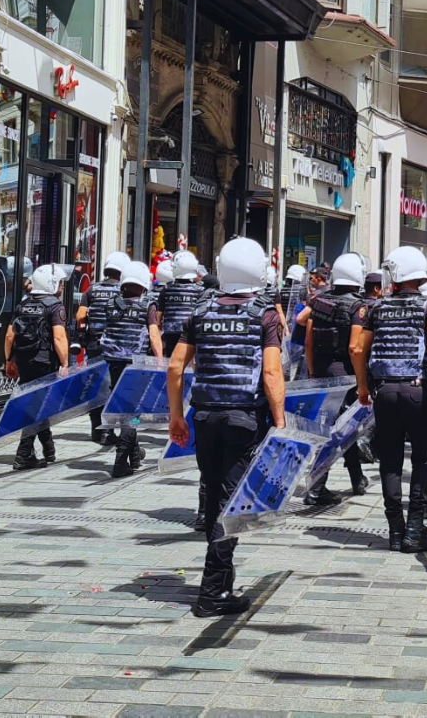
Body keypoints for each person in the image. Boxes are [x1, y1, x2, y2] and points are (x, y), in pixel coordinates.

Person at [166, 237, 286, 617]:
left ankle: (221, 582)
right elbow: (271, 373)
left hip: (204, 416)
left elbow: (174, 368)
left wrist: (176, 416)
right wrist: (280, 423)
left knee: (216, 494)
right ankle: (212, 592)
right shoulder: (264, 315)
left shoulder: (200, 312)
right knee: (230, 506)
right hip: (242, 420)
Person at [350, 246, 427, 553]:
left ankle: (395, 530)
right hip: (417, 391)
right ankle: (414, 530)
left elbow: (358, 349)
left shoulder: (377, 308)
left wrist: (362, 387)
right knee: (422, 458)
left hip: (384, 392)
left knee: (390, 460)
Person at [302, 252, 370, 504]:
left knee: (344, 427)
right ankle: (315, 488)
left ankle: (356, 478)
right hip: (345, 375)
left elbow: (308, 340)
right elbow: (355, 347)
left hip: (320, 370)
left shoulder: (318, 301)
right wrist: (362, 381)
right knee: (334, 431)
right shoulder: (357, 306)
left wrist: (311, 372)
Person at [5, 264, 71, 470]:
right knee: (38, 405)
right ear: (52, 284)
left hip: (24, 360)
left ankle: (48, 448)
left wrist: (9, 360)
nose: (62, 287)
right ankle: (23, 454)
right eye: (60, 283)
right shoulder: (55, 306)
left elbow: (9, 335)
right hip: (44, 361)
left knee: (37, 402)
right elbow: (59, 337)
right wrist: (65, 363)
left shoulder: (22, 305)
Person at [98, 263, 162, 477]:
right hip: (136, 366)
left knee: (125, 408)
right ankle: (120, 460)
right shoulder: (147, 305)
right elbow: (154, 336)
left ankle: (134, 455)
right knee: (132, 415)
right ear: (143, 284)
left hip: (114, 364)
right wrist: (161, 363)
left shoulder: (110, 303)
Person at [78, 251, 130, 444]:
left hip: (94, 345)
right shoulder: (122, 292)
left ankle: (96, 429)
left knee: (96, 387)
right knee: (114, 388)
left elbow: (80, 316)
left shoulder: (91, 290)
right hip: (115, 346)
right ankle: (109, 431)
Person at [156, 251, 210, 360]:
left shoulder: (166, 289)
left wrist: (158, 333)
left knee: (172, 361)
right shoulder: (200, 290)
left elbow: (159, 315)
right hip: (191, 332)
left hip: (171, 333)